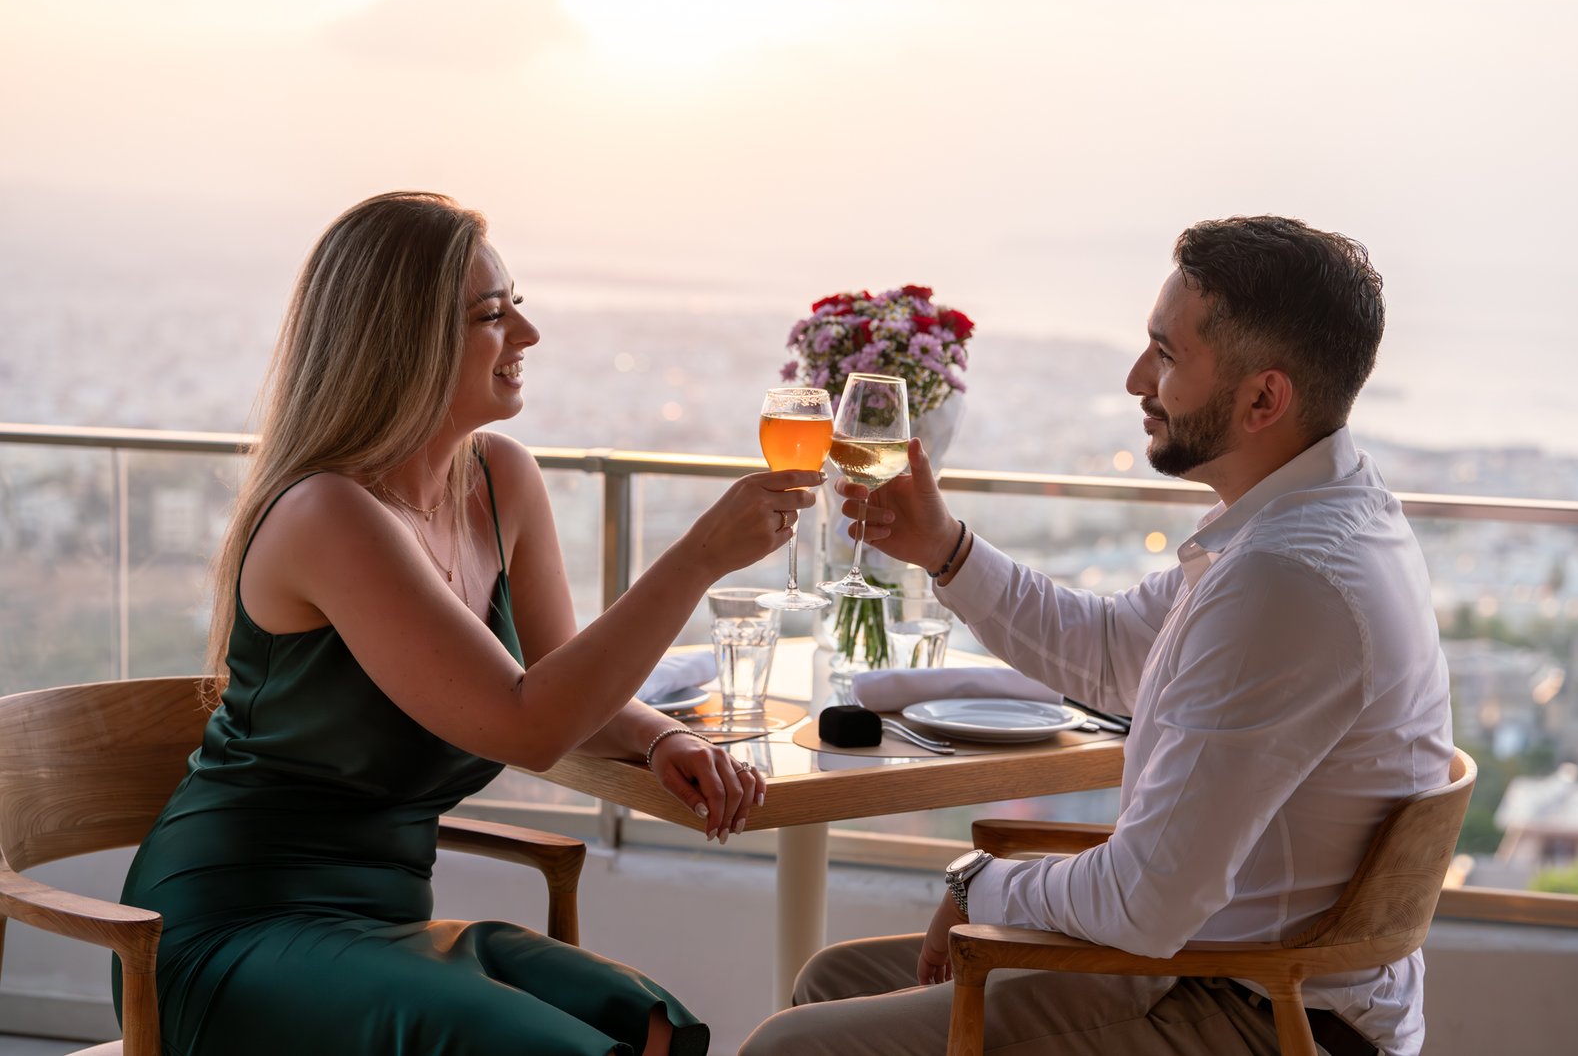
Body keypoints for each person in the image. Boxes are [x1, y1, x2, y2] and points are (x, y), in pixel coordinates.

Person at [117, 191, 823, 1056]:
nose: (526, 336)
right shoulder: (329, 515)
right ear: (405, 341)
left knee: (649, 1028)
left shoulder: (499, 478)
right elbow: (527, 721)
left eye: (516, 305)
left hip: (383, 930)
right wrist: (699, 556)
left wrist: (655, 739)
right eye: (493, 315)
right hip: (230, 932)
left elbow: (568, 684)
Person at [741, 216, 1453, 1056]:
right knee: (834, 981)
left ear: (1265, 398)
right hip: (1229, 968)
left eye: (1167, 355)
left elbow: (1147, 900)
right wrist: (946, 550)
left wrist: (980, 883)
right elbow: (1113, 652)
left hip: (1247, 1009)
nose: (1135, 379)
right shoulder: (1317, 520)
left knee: (787, 1049)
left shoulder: (1286, 579)